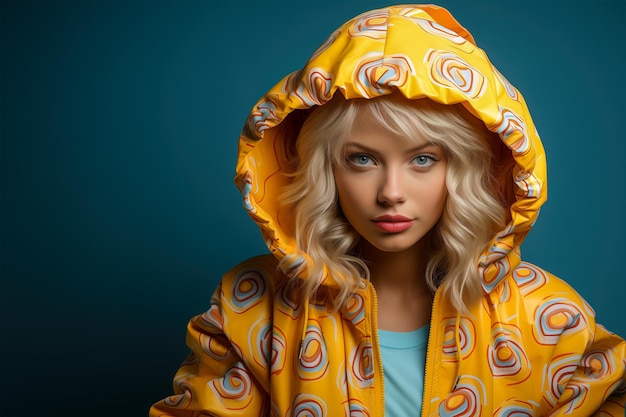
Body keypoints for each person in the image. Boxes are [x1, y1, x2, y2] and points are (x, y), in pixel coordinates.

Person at [150, 4, 626, 416]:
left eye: (423, 159)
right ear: (325, 170)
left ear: (462, 169)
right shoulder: (251, 307)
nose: (391, 192)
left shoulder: (549, 316)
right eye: (362, 159)